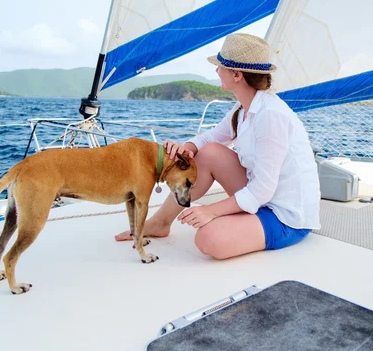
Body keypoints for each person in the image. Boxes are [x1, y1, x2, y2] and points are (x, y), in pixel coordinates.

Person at [115, 33, 321, 259]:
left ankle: (242, 223)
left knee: (208, 239)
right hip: (263, 199)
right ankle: (160, 223)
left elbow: (262, 189)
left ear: (236, 75)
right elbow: (213, 137)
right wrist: (188, 147)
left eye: (220, 66)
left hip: (285, 216)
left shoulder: (270, 115)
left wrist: (210, 211)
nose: (216, 71)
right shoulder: (243, 108)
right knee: (207, 153)